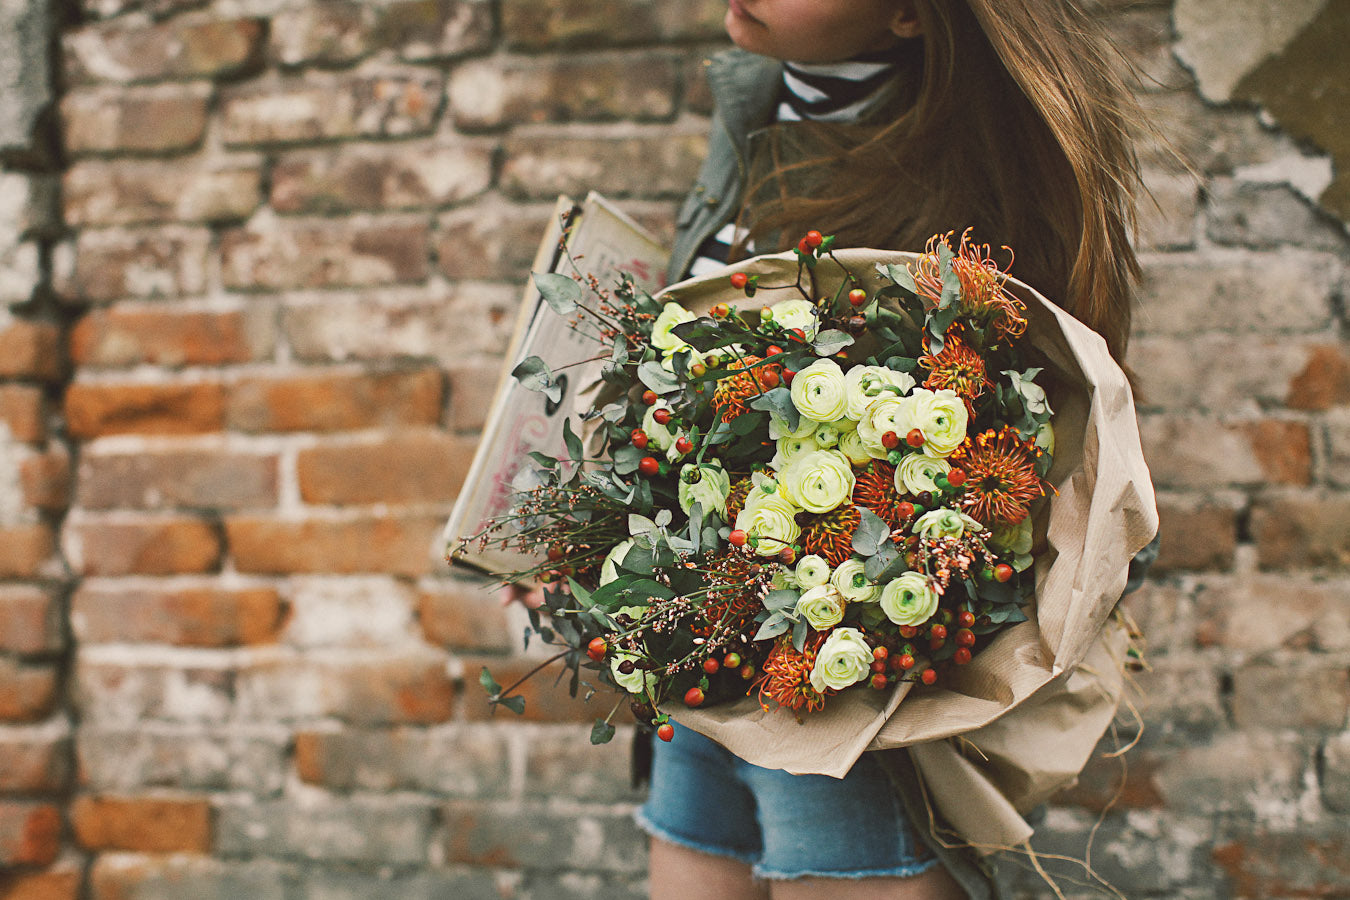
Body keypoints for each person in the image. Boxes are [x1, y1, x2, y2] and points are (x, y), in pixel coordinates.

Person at [636, 1, 1158, 898]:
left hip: (857, 705)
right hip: (709, 664)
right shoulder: (757, 113)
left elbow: (1058, 459)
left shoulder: (969, 190)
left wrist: (879, 600)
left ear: (914, 14)